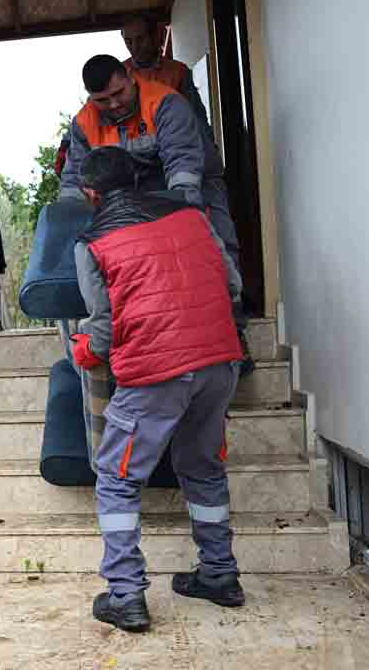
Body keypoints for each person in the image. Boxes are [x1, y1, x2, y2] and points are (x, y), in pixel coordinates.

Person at [71, 146, 245, 633]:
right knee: (203, 466)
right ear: (138, 179)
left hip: (156, 373)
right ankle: (220, 575)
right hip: (218, 362)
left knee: (117, 478)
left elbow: (103, 330)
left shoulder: (92, 243)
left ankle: (125, 595)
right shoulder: (192, 216)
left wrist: (84, 349)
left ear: (90, 193)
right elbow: (230, 283)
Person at [58, 53, 253, 374]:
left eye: (119, 94)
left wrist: (178, 227)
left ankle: (234, 334)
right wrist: (70, 225)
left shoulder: (166, 104)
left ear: (130, 78)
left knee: (211, 239)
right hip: (129, 191)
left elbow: (184, 172)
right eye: (102, 100)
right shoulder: (84, 123)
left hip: (185, 182)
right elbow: (74, 181)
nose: (114, 105)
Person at [120, 15, 210, 127]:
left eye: (140, 39)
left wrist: (208, 143)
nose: (134, 47)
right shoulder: (119, 73)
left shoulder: (178, 71)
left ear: (154, 37)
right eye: (128, 41)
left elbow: (197, 116)